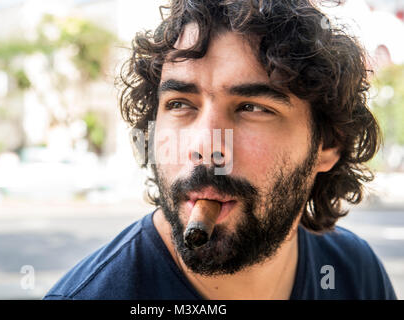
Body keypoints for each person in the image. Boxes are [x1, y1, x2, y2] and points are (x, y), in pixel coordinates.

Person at [44, 0, 397, 300]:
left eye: (252, 107)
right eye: (180, 103)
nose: (205, 147)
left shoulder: (355, 273)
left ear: (328, 144)